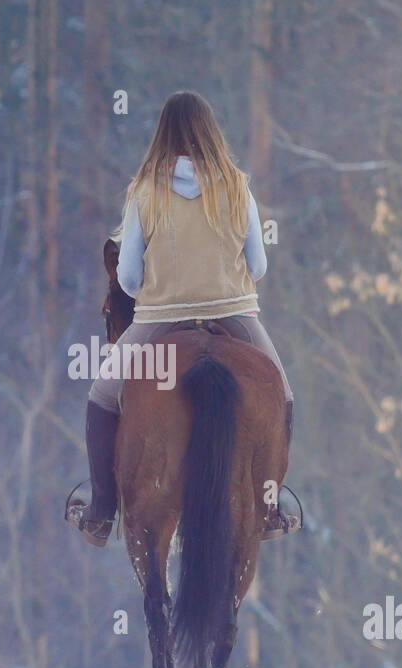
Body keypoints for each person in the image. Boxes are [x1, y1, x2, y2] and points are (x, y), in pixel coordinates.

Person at [66, 90, 295, 546]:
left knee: (102, 395)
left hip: (160, 316)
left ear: (162, 134)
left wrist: (159, 289)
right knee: (282, 395)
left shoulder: (144, 192)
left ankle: (101, 511)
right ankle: (268, 505)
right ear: (211, 131)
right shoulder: (236, 186)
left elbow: (128, 276)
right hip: (234, 313)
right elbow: (260, 265)